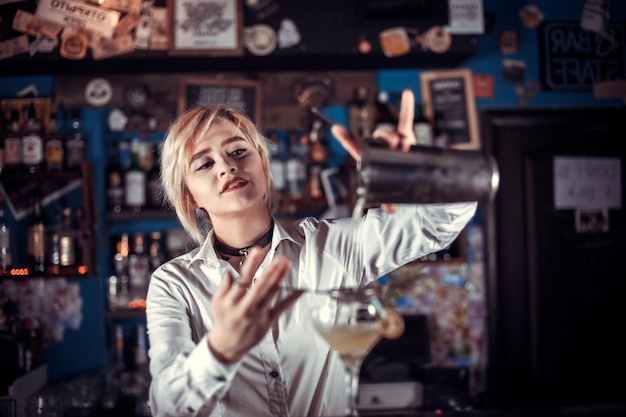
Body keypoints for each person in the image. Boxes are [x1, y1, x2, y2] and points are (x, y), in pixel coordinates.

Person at [146, 89, 477, 417]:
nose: (226, 166)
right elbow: (167, 407)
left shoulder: (332, 246)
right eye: (204, 164)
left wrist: (418, 171)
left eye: (238, 151)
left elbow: (441, 222)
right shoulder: (174, 284)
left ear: (262, 164)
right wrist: (220, 350)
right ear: (190, 197)